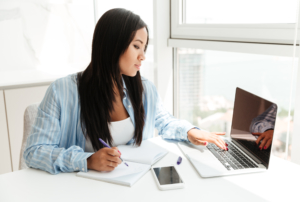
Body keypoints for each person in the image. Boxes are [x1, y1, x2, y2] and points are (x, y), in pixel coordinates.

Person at [24, 8, 227, 175]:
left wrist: (191, 131)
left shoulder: (144, 89)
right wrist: (87, 160)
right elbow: (35, 152)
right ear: (113, 44)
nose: (142, 56)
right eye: (136, 46)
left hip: (132, 183)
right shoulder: (62, 92)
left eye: (144, 48)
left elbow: (164, 121)